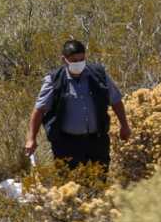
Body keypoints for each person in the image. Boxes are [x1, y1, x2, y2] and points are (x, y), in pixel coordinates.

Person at [25, 40, 131, 171]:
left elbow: (116, 101)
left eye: (82, 59)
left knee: (99, 178)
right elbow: (39, 110)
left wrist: (124, 126)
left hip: (97, 141)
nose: (78, 63)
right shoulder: (54, 80)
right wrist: (31, 138)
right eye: (74, 60)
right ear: (64, 60)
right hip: (66, 144)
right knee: (70, 181)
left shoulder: (99, 75)